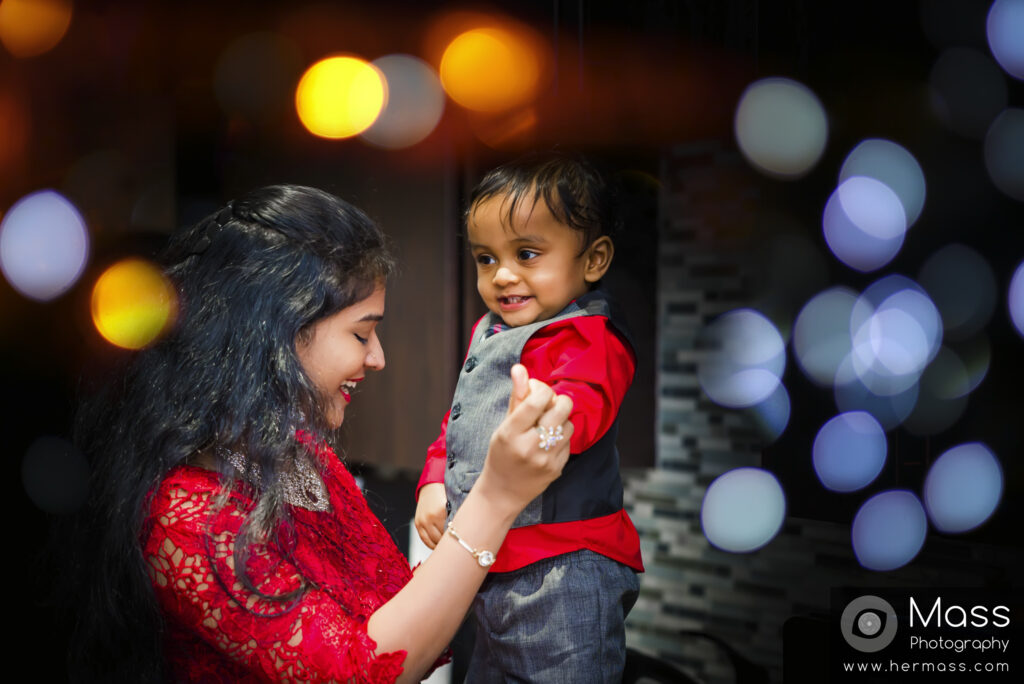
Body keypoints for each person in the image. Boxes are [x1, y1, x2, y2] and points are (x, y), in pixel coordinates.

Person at [66, 184, 574, 683]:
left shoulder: (298, 455)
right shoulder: (185, 518)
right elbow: (365, 672)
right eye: (361, 333)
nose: (377, 358)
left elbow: (394, 616)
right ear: (276, 333)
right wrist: (495, 498)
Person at [413, 152, 644, 682]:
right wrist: (433, 481)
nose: (503, 275)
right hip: (491, 562)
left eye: (527, 253)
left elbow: (583, 406)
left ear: (594, 260)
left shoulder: (590, 336)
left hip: (562, 568)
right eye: (486, 259)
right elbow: (460, 420)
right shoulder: (490, 331)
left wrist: (547, 424)